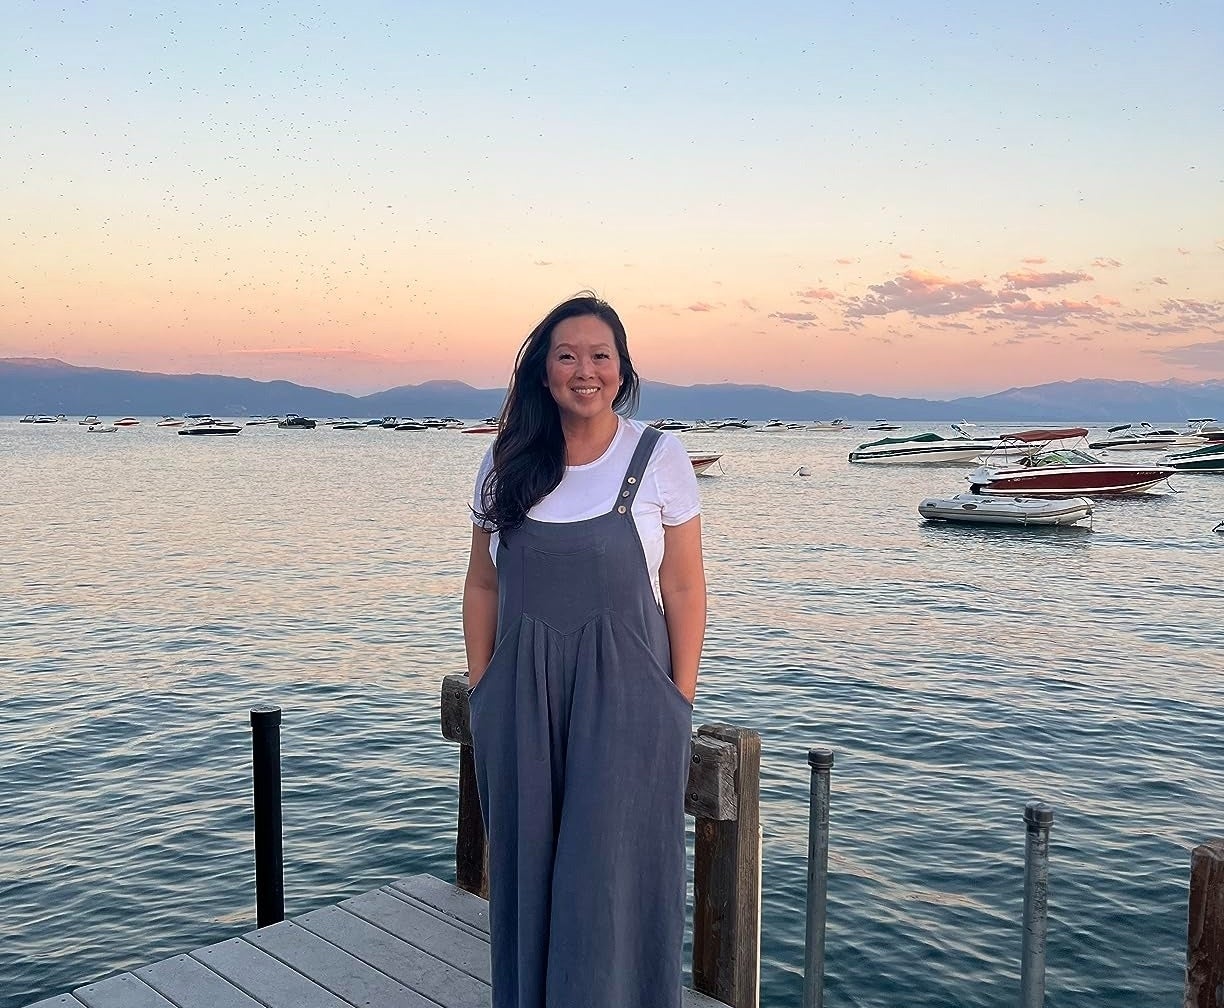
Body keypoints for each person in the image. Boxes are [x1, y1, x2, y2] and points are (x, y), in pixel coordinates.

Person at [462, 293, 707, 1008]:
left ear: (622, 369)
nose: (584, 370)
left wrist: (676, 701)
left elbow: (686, 589)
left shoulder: (657, 457)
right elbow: (482, 585)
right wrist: (485, 691)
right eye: (567, 355)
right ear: (543, 372)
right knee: (526, 877)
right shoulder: (504, 460)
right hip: (519, 705)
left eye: (601, 355)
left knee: (614, 883)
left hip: (630, 708)